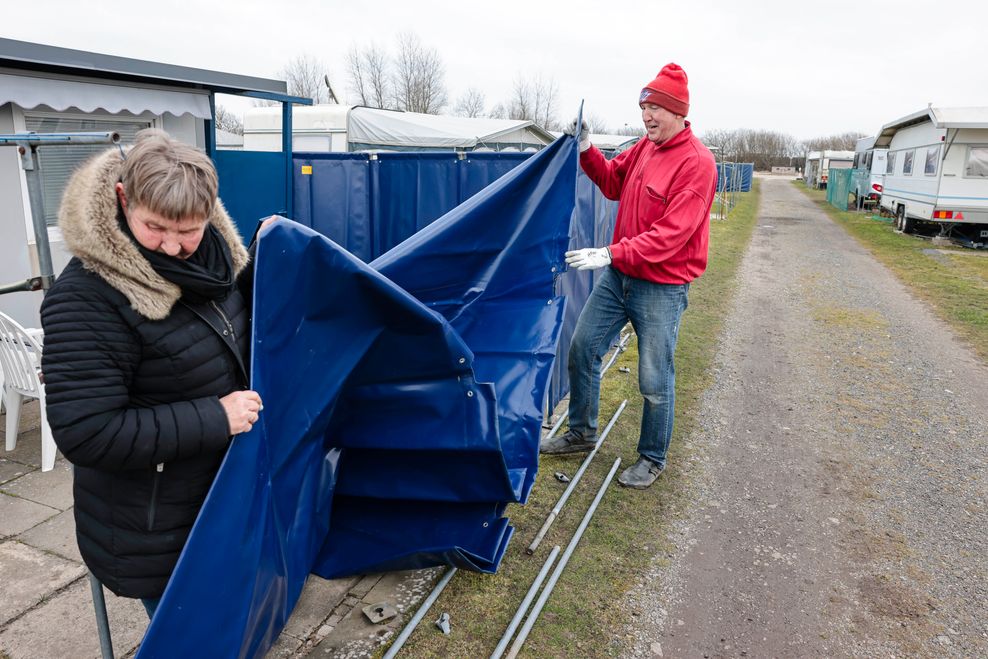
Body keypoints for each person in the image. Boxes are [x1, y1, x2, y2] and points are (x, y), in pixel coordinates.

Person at [41, 129, 266, 618]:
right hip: (156, 526)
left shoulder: (221, 261)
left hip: (225, 499)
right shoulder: (85, 297)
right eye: (155, 227)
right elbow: (85, 432)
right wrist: (215, 417)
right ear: (124, 199)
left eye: (190, 229)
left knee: (233, 627)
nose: (173, 247)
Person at [541, 63, 717, 489]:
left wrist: (609, 251)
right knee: (583, 348)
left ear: (679, 112)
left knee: (655, 377)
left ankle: (652, 458)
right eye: (644, 106)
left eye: (655, 107)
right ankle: (581, 432)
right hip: (620, 277)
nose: (647, 115)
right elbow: (612, 182)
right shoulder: (644, 148)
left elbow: (671, 236)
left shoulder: (697, 164)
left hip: (662, 286)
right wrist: (586, 148)